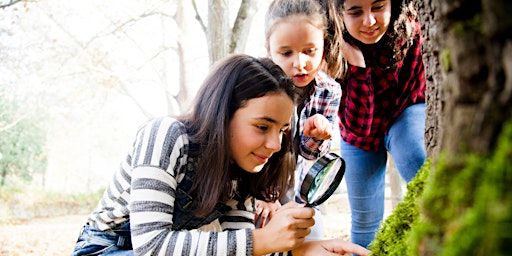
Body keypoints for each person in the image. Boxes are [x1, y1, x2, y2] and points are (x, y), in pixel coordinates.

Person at [71, 53, 371, 256]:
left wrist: (302, 250)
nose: (276, 145)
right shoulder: (165, 135)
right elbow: (153, 246)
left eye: (281, 130)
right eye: (262, 126)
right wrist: (263, 240)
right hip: (108, 248)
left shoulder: (241, 168)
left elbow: (235, 245)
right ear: (222, 114)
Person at [322, 0, 427, 249]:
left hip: (405, 109)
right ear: (339, 14)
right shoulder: (330, 50)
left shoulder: (409, 30)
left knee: (413, 152)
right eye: (356, 12)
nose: (369, 21)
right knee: (365, 221)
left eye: (378, 7)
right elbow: (359, 127)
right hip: (358, 134)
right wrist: (357, 66)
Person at [255, 0, 343, 240]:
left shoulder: (329, 91)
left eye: (309, 50)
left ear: (323, 47)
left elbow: (311, 154)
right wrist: (265, 197)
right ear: (269, 50)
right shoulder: (258, 88)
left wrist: (317, 137)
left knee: (312, 236)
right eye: (286, 53)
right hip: (257, 189)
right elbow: (250, 148)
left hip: (298, 191)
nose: (299, 63)